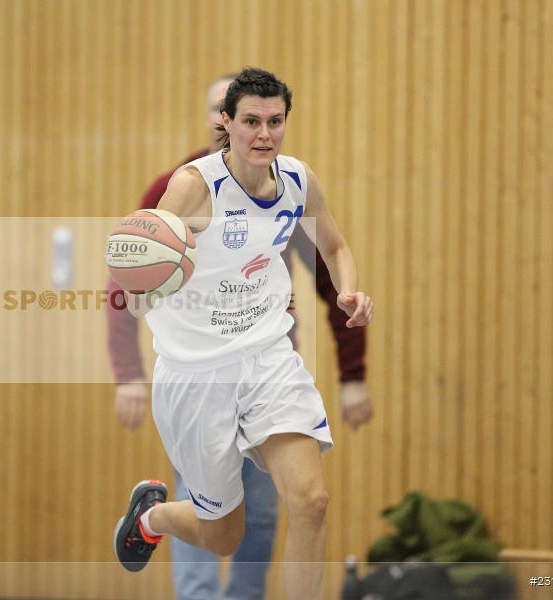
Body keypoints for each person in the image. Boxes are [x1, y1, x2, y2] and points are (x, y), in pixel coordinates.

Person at [106, 74, 373, 600]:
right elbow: (137, 254)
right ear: (225, 123)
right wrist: (138, 292)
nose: (264, 134)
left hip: (267, 357)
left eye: (275, 122)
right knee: (223, 536)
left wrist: (350, 292)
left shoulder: (298, 181)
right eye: (251, 121)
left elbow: (336, 246)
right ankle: (154, 517)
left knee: (311, 501)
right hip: (195, 374)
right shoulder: (193, 184)